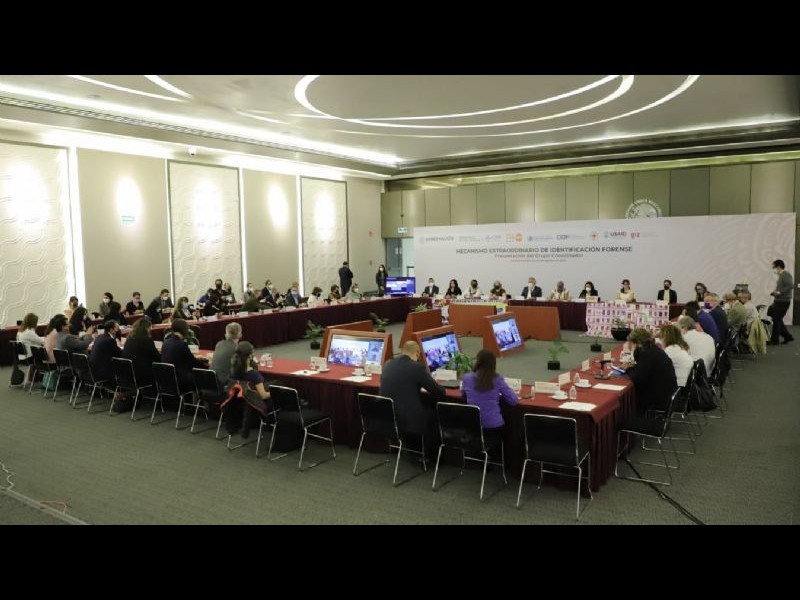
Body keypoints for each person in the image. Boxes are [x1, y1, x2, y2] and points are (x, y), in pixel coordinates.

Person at [379, 341, 446, 458]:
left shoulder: (388, 364)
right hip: (408, 420)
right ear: (417, 353)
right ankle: (431, 457)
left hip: (388, 418)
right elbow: (439, 392)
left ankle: (412, 448)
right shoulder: (417, 367)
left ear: (402, 351)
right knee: (436, 416)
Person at [460, 349, 519, 448]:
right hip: (494, 428)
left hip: (473, 428)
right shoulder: (497, 379)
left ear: (478, 362)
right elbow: (513, 401)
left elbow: (463, 396)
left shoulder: (466, 378)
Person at [620, 328, 677, 414]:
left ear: (637, 343)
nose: (629, 345)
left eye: (631, 343)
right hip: (667, 391)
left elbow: (637, 378)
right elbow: (642, 369)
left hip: (658, 398)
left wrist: (627, 369)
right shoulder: (653, 349)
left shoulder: (647, 354)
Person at [160, 318, 206, 393]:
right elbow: (193, 362)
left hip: (167, 379)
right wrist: (205, 363)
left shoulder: (166, 342)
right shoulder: (181, 344)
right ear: (184, 329)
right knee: (204, 374)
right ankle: (203, 398)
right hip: (181, 380)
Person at [122, 316, 161, 388]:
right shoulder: (146, 340)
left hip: (128, 373)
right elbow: (157, 358)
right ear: (146, 328)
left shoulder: (129, 338)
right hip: (142, 374)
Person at [767, 259, 794, 345]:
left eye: (774, 267)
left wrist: (779, 292)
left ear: (778, 266)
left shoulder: (785, 274)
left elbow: (790, 285)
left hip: (783, 301)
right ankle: (787, 336)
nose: (773, 269)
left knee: (777, 320)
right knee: (777, 319)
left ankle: (775, 340)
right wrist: (776, 292)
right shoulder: (781, 275)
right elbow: (783, 287)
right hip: (779, 300)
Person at [211, 322, 242, 389]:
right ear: (240, 334)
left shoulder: (219, 344)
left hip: (211, 380)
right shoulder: (237, 348)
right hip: (224, 384)